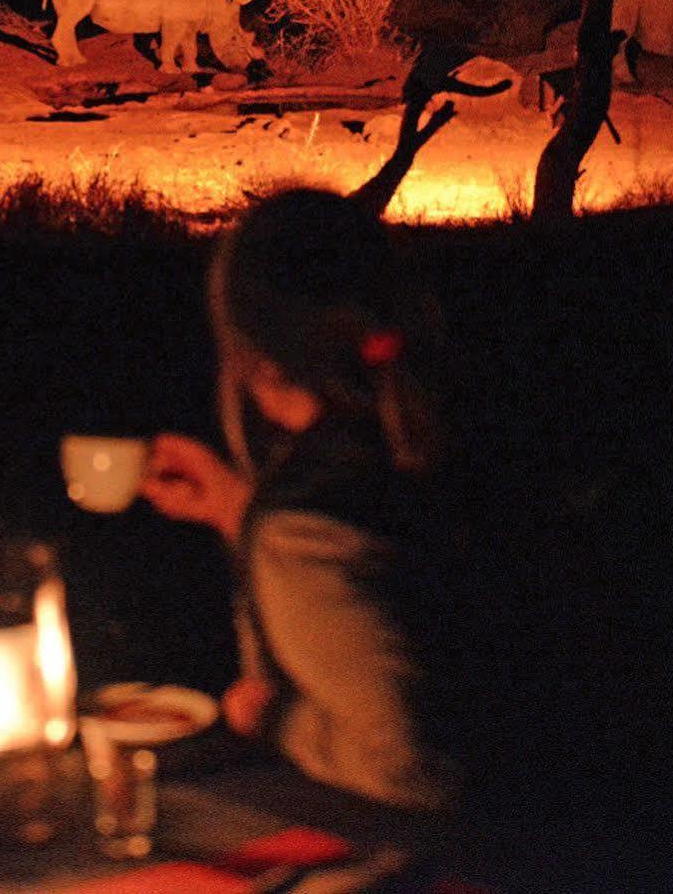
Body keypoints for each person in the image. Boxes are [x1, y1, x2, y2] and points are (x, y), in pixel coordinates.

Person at [140, 187, 458, 810]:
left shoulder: (305, 534)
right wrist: (239, 510)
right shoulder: (431, 434)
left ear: (258, 362)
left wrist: (279, 720)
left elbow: (407, 764)